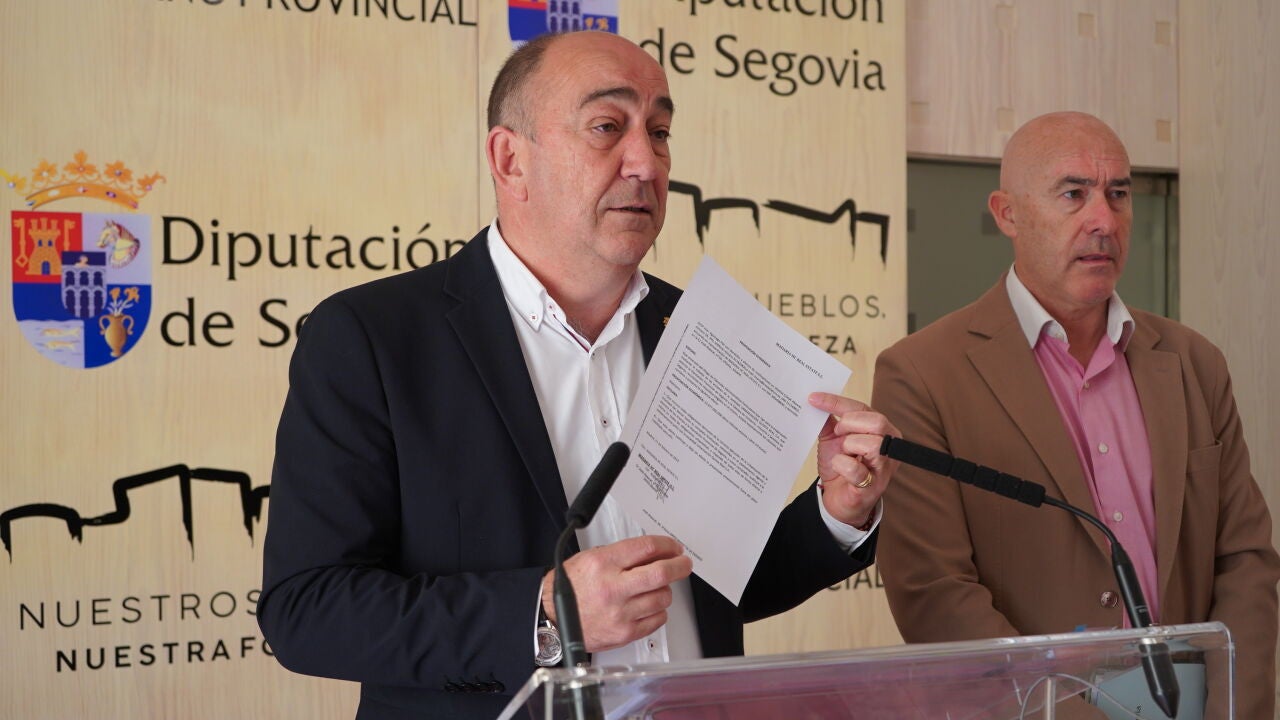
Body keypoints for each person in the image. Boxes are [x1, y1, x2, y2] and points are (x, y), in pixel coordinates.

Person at [258, 30, 899, 719]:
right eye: (606, 127)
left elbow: (715, 586)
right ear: (510, 160)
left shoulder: (694, 330)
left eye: (659, 133)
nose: (646, 163)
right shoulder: (373, 337)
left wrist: (836, 514)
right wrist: (544, 613)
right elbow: (307, 610)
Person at [873, 111, 1280, 717]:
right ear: (1007, 214)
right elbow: (935, 595)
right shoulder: (922, 374)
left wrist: (1232, 711)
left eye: (1118, 194)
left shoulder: (1195, 363)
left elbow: (1245, 562)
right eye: (1074, 194)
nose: (1104, 221)